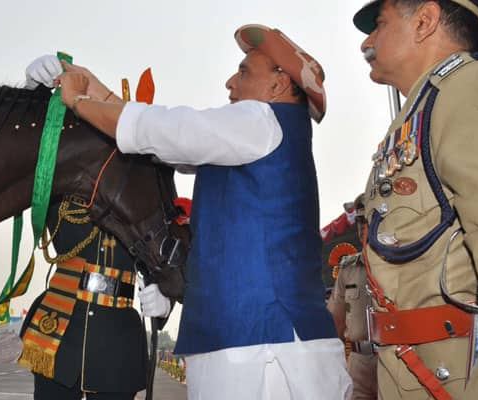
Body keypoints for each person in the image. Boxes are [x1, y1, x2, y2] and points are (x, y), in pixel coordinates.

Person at [26, 23, 351, 399]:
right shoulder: (255, 135)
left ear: (278, 85)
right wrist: (88, 83)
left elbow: (159, 130)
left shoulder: (260, 121)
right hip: (248, 343)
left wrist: (79, 101)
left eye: (244, 71)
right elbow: (152, 132)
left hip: (263, 345)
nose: (230, 82)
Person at [352, 0, 478, 398]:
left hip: (459, 375)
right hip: (415, 369)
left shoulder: (468, 87)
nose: (368, 40)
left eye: (379, 24)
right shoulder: (421, 108)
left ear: (425, 21)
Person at [18, 199, 168, 399]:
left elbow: (173, 240)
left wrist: (167, 296)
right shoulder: (60, 175)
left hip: (117, 337)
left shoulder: (146, 179)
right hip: (60, 326)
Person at [326, 201, 378, 400]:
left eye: (368, 220)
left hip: (393, 357)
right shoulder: (348, 269)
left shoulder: (401, 263)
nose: (362, 227)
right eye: (359, 221)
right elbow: (335, 322)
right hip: (358, 362)